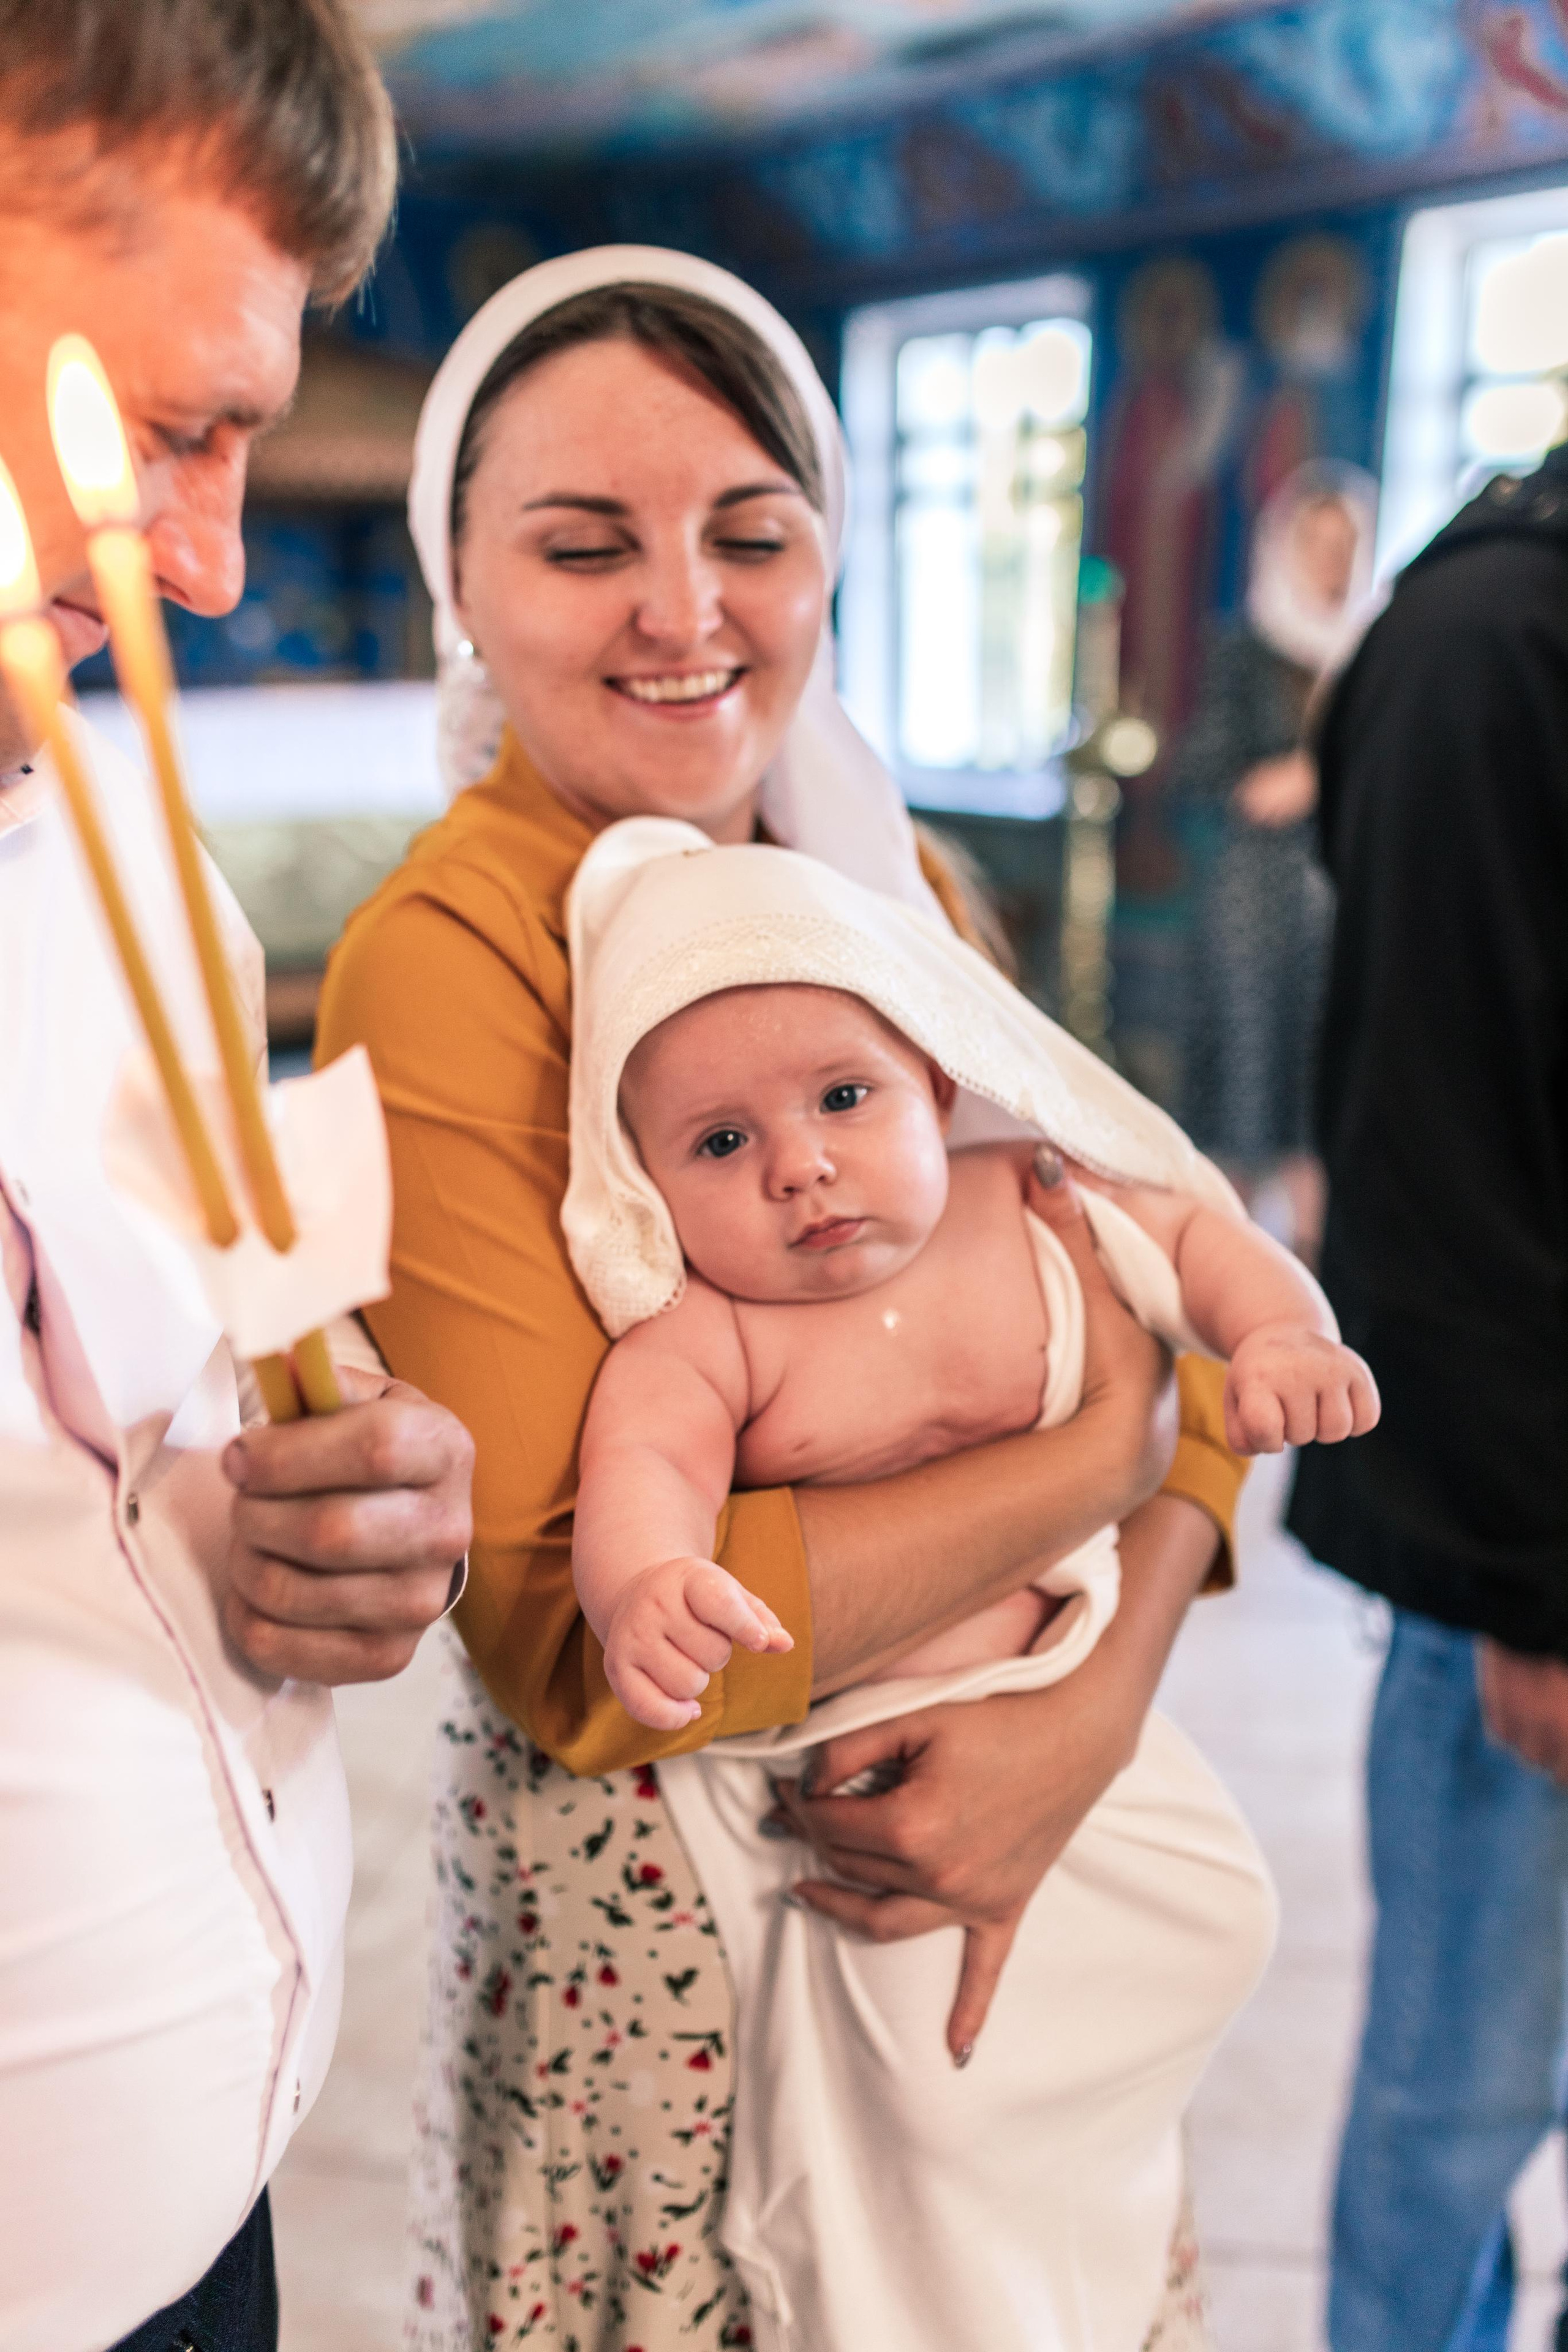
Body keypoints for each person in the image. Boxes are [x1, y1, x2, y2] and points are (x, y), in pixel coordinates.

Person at [317, 248, 1254, 2352]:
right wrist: (1090, 1449)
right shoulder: (453, 959)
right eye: (583, 547)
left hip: (1021, 1836)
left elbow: (1160, 1271)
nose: (686, 611)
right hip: (683, 1960)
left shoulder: (882, 888)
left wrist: (1083, 1723)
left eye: (752, 532)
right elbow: (579, 1639)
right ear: (458, 572)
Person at [0, 9, 475, 2350]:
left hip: (208, 2174)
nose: (204, 565)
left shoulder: (134, 874)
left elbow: (173, 1442)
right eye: (170, 433)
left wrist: (311, 1512)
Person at [569, 848, 1376, 1732]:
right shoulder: (711, 1332)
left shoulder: (1026, 1197)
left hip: (1068, 1702)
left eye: (843, 1096)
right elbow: (647, 1464)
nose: (801, 1167)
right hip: (828, 1737)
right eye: (722, 1143)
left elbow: (1192, 1233)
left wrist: (1282, 1330)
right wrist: (646, 1583)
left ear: (939, 1089)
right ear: (643, 1181)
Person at [1288, 446, 1568, 2352]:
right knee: (1460, 2095)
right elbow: (1446, 1155)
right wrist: (1528, 1589)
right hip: (1537, 1551)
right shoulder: (1494, 644)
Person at [1174, 461, 1379, 1256]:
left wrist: (1329, 774)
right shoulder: (1245, 647)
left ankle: (1317, 1278)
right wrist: (1277, 776)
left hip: (1342, 898)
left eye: (1345, 545)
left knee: (1324, 1090)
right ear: (1285, 547)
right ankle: (1235, 1269)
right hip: (1253, 901)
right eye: (1316, 542)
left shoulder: (1373, 648)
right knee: (1247, 1082)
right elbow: (1202, 766)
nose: (1330, 561)